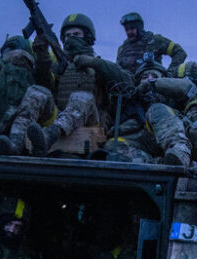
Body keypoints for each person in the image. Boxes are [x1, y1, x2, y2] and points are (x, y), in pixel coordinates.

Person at [20, 13, 134, 155]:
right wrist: (42, 56)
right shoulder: (60, 66)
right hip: (59, 121)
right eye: (67, 35)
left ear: (88, 37)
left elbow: (127, 82)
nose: (71, 38)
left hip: (92, 124)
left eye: (76, 34)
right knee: (36, 91)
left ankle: (48, 136)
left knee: (81, 97)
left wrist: (93, 63)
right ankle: (15, 141)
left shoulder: (99, 65)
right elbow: (45, 87)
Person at [104, 57, 191, 166]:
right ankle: (159, 163)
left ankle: (180, 152)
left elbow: (187, 86)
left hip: (172, 135)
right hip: (144, 140)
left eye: (154, 76)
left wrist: (155, 84)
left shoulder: (171, 97)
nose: (149, 79)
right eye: (144, 77)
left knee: (156, 109)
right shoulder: (132, 100)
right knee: (113, 144)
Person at [115, 12, 187, 75]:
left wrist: (170, 73)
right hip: (127, 87)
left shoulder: (154, 40)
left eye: (132, 28)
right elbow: (117, 69)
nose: (129, 32)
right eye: (126, 29)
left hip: (150, 85)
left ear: (139, 28)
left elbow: (179, 52)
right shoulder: (123, 48)